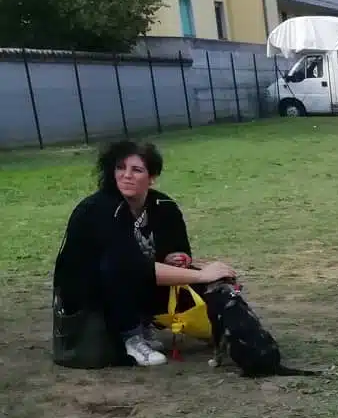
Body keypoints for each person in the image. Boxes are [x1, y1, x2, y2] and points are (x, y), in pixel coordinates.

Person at [52, 141, 237, 368]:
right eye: (120, 168)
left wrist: (177, 257)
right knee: (117, 266)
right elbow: (128, 264)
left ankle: (227, 329)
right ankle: (131, 338)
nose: (126, 176)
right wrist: (201, 276)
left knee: (196, 276)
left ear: (152, 177)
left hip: (133, 281)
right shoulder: (99, 209)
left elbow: (178, 250)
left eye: (137, 170)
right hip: (86, 296)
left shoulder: (163, 206)